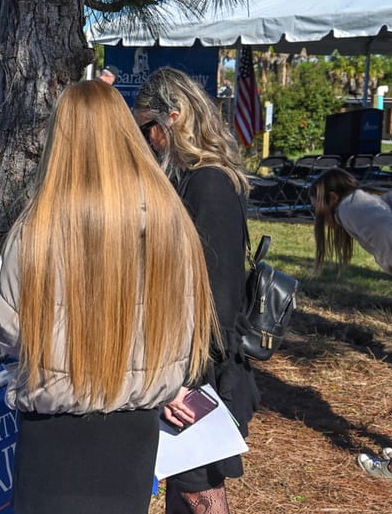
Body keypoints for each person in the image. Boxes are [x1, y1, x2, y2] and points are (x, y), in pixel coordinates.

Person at [0, 80, 218, 513]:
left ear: (61, 136)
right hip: (134, 435)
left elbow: (9, 335)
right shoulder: (171, 221)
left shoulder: (34, 230)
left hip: (52, 435)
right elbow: (184, 327)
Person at [133, 67, 260, 513]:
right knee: (187, 491)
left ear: (175, 116)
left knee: (198, 490)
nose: (146, 139)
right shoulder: (195, 178)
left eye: (148, 127)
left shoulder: (208, 183)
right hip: (192, 365)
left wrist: (184, 382)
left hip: (201, 372)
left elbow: (218, 299)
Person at [310, 167, 392, 484]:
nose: (316, 210)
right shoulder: (364, 200)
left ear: (333, 197)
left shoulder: (352, 207)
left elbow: (385, 230)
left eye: (317, 202)